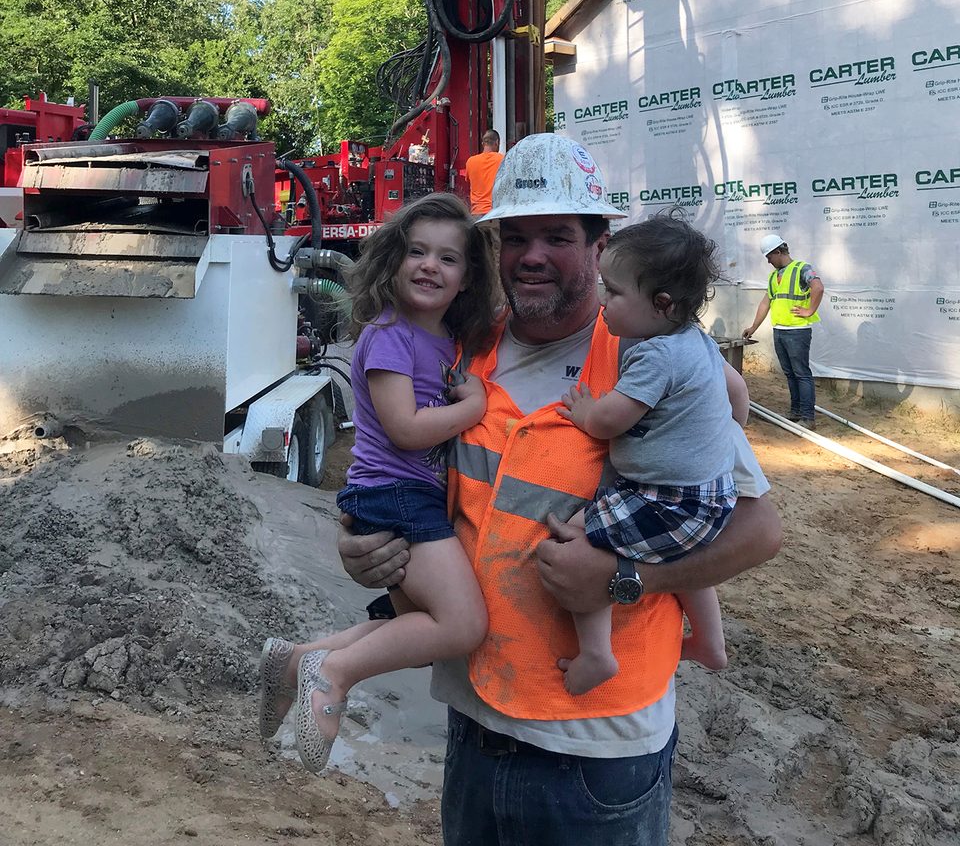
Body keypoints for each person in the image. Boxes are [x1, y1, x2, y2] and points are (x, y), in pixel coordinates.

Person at [339, 134, 782, 846]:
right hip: (478, 718)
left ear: (600, 247)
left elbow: (760, 531)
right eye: (515, 237)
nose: (532, 255)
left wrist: (626, 580)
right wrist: (364, 545)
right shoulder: (467, 347)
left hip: (595, 750)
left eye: (557, 236)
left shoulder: (651, 358)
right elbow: (420, 483)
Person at [257, 192, 500, 773]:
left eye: (448, 258)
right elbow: (406, 428)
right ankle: (334, 675)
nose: (429, 266)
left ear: (468, 278)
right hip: (396, 495)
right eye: (416, 251)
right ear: (392, 261)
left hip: (408, 496)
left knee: (413, 627)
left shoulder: (444, 341)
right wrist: (475, 407)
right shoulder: (390, 335)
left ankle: (294, 662)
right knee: (463, 625)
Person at [556, 212, 742, 696]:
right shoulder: (695, 341)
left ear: (660, 304)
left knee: (574, 540)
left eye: (613, 292)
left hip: (670, 500)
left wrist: (585, 411)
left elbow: (610, 420)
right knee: (684, 551)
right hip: (710, 494)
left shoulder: (655, 354)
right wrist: (721, 436)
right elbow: (738, 394)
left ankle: (596, 654)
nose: (602, 301)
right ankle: (708, 641)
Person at [743, 233, 824, 427]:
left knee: (801, 373)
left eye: (769, 257)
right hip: (779, 330)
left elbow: (818, 287)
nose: (768, 262)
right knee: (790, 373)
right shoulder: (774, 276)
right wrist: (753, 327)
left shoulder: (802, 269)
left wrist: (810, 310)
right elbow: (766, 303)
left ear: (778, 252)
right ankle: (796, 412)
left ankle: (807, 417)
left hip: (797, 331)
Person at [463, 129, 504, 215]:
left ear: (483, 144)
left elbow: (468, 182)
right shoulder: (502, 160)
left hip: (476, 213)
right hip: (495, 212)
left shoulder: (470, 161)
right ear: (496, 143)